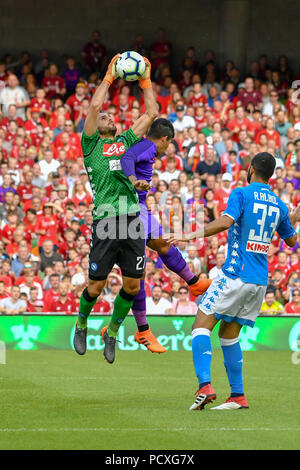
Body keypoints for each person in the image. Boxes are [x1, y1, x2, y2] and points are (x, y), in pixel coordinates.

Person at [165, 152, 299, 410]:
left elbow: (227, 221)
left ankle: (204, 385)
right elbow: (291, 241)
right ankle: (237, 395)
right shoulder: (280, 205)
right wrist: (291, 219)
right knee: (228, 333)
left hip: (236, 273)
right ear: (271, 175)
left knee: (201, 326)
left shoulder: (241, 193)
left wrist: (190, 234)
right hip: (259, 281)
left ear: (250, 169)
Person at [73, 53, 159, 364]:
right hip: (106, 222)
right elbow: (94, 107)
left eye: (111, 116)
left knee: (133, 285)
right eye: (103, 116)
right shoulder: (91, 145)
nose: (107, 116)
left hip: (132, 220)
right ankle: (82, 323)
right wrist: (110, 76)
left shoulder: (126, 141)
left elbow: (152, 112)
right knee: (95, 287)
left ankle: (112, 332)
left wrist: (145, 80)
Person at [121, 117, 211, 351]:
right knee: (137, 274)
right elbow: (127, 158)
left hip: (141, 208)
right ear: (164, 139)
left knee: (163, 244)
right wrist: (133, 180)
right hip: (128, 210)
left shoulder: (148, 148)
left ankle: (193, 283)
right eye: (167, 145)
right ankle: (142, 330)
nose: (165, 150)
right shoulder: (148, 147)